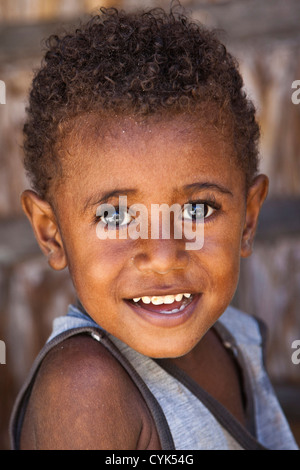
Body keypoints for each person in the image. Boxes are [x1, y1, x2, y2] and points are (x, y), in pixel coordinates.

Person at [9, 5, 298, 450]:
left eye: (199, 210)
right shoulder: (86, 392)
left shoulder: (233, 337)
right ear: (50, 232)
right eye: (116, 216)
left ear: (249, 218)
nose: (164, 255)